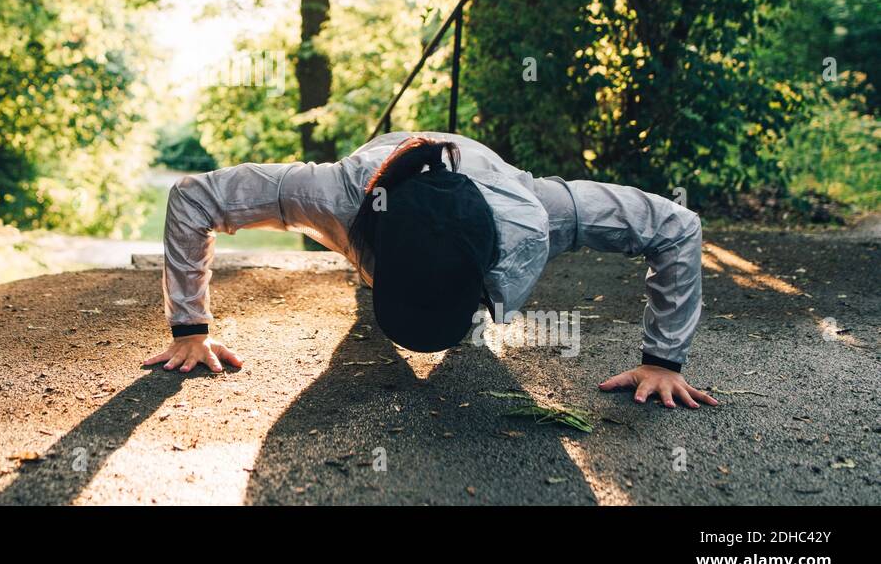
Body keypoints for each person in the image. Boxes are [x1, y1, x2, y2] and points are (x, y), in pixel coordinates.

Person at [143, 131, 719, 409]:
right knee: (359, 315)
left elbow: (674, 226)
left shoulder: (541, 214)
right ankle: (374, 285)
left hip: (480, 197)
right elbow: (194, 198)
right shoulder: (330, 195)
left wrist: (662, 362)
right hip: (380, 190)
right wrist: (189, 329)